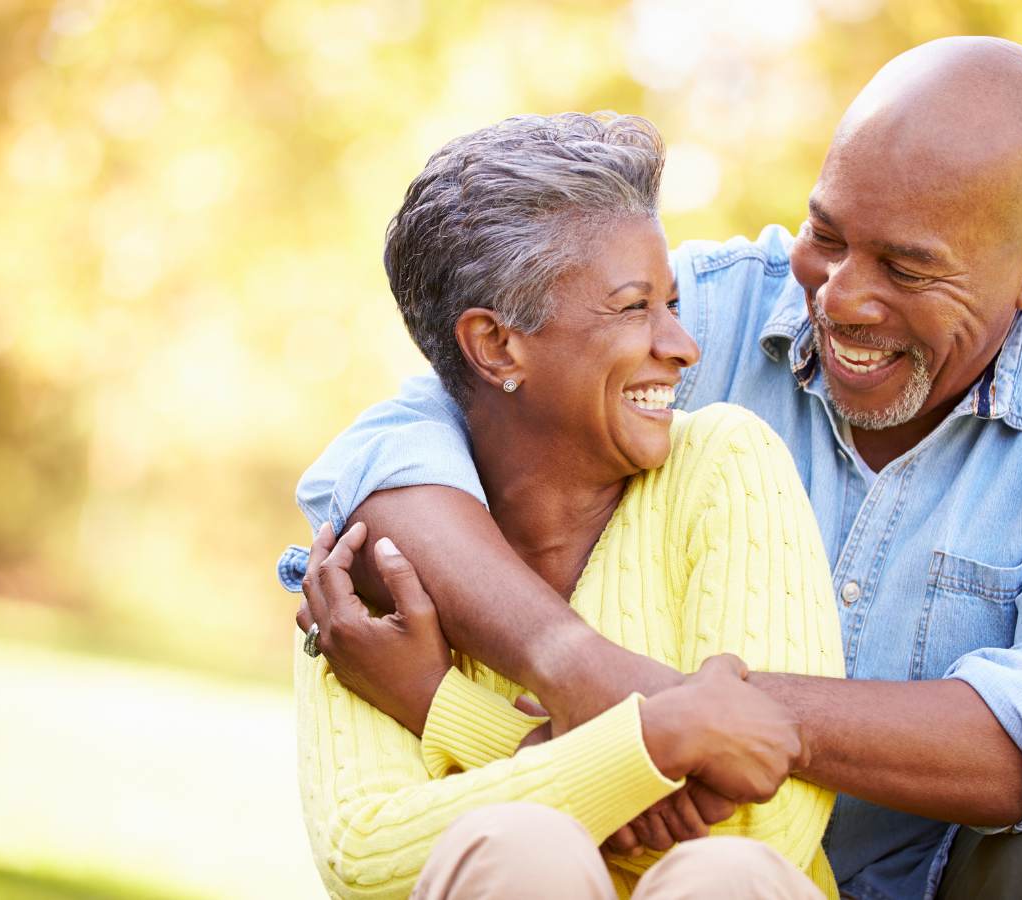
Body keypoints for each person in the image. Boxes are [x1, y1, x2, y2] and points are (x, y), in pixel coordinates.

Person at [290, 37, 1022, 899]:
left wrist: (671, 720)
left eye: (906, 267)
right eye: (827, 234)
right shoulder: (702, 304)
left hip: (929, 879)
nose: (840, 298)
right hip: (668, 872)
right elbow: (395, 450)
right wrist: (577, 667)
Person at [279, 112, 847, 899]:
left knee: (724, 875)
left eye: (673, 304)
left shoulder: (725, 464)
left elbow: (765, 827)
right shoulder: (372, 562)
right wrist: (656, 742)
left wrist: (442, 709)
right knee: (518, 852)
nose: (684, 346)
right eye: (632, 307)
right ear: (497, 346)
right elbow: (367, 857)